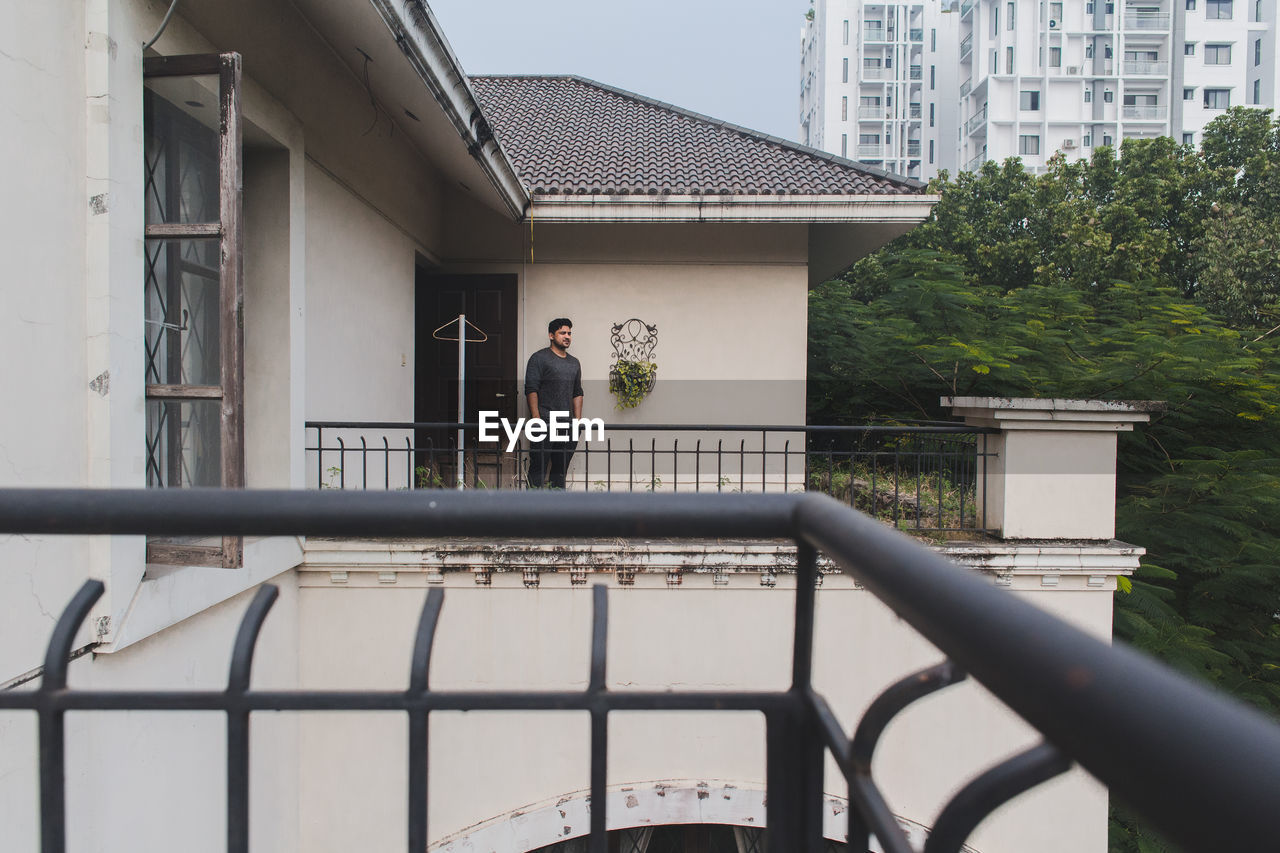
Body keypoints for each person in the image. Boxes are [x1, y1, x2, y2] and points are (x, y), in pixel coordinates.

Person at [524, 318, 583, 488]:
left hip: (567, 425)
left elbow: (577, 392)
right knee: (538, 468)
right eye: (562, 333)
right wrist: (536, 418)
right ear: (551, 335)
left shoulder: (574, 363)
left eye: (569, 333)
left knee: (559, 471)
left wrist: (577, 421)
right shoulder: (539, 359)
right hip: (545, 422)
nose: (567, 337)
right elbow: (531, 389)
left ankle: (557, 509)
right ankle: (531, 508)